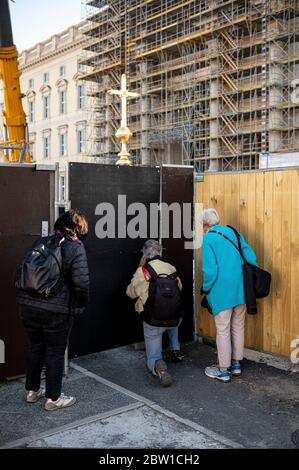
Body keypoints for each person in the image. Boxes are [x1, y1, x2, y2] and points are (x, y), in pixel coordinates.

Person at [17, 210, 90, 410]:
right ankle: (54, 399)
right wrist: (81, 305)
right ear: (78, 228)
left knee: (35, 347)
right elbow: (81, 284)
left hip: (28, 305)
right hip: (56, 310)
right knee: (55, 352)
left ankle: (32, 391)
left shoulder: (40, 242)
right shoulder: (75, 248)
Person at [201, 208, 257, 383]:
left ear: (204, 225)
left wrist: (206, 288)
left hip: (222, 290)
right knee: (238, 326)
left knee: (223, 329)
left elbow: (210, 271)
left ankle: (223, 370)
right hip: (241, 289)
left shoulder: (208, 238)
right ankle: (236, 364)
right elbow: (251, 257)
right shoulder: (233, 232)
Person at [126, 240, 183, 387]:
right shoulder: (171, 268)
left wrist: (139, 267)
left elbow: (130, 293)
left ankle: (159, 367)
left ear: (145, 254)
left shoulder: (143, 271)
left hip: (154, 320)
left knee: (153, 355)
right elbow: (179, 288)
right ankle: (175, 349)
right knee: (173, 316)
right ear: (160, 252)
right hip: (173, 319)